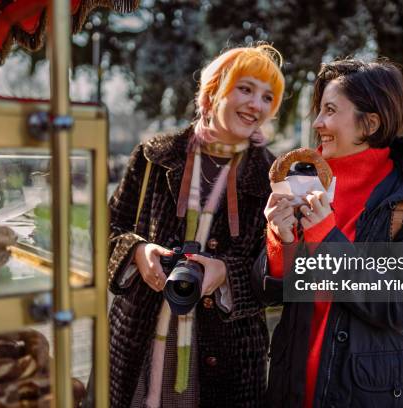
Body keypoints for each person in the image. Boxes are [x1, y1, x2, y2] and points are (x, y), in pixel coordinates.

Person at [253, 59, 403, 407]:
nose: (317, 123)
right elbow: (270, 292)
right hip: (291, 384)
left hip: (367, 391)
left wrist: (326, 238)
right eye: (319, 110)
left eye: (329, 110)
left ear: (369, 123)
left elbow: (401, 305)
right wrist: (281, 241)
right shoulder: (303, 183)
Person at [106, 44, 284, 407]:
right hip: (138, 346)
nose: (256, 105)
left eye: (267, 97)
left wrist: (226, 276)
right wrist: (138, 252)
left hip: (229, 358)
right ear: (214, 89)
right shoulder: (153, 155)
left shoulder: (273, 176)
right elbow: (106, 230)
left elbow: (277, 273)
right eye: (245, 89)